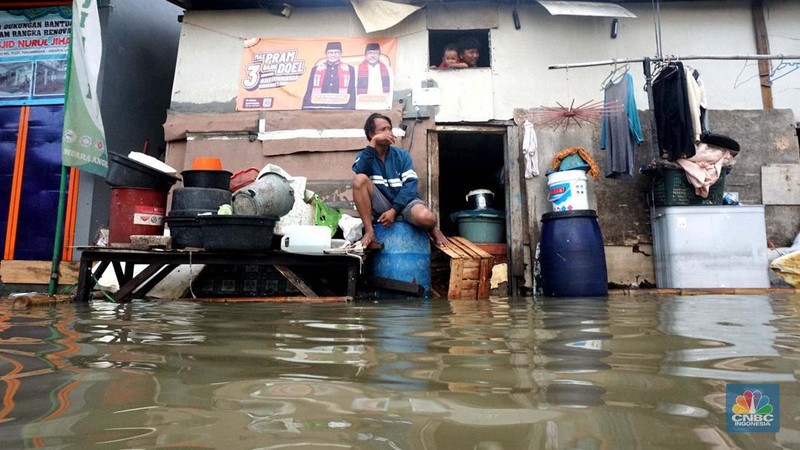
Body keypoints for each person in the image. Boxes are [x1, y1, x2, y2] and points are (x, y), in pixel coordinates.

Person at [352, 113, 448, 249]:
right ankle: (369, 232)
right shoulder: (365, 156)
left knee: (428, 218)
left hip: (405, 203)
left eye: (389, 129)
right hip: (382, 205)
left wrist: (394, 210)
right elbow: (360, 173)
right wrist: (372, 143)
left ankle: (433, 229)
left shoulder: (402, 155)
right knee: (359, 179)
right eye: (383, 130)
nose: (388, 133)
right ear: (371, 133)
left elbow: (410, 185)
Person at [302, 41, 355, 109]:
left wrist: (351, 108)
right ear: (326, 54)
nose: (333, 55)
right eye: (330, 52)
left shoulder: (349, 69)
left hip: (341, 107)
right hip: (319, 107)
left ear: (340, 54)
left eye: (336, 52)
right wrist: (305, 107)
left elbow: (352, 90)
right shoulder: (316, 69)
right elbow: (309, 89)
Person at [356, 43, 392, 110]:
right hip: (363, 104)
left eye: (375, 53)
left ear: (379, 55)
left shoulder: (387, 69)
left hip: (382, 103)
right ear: (365, 55)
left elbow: (391, 87)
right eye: (370, 53)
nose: (372, 55)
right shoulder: (357, 69)